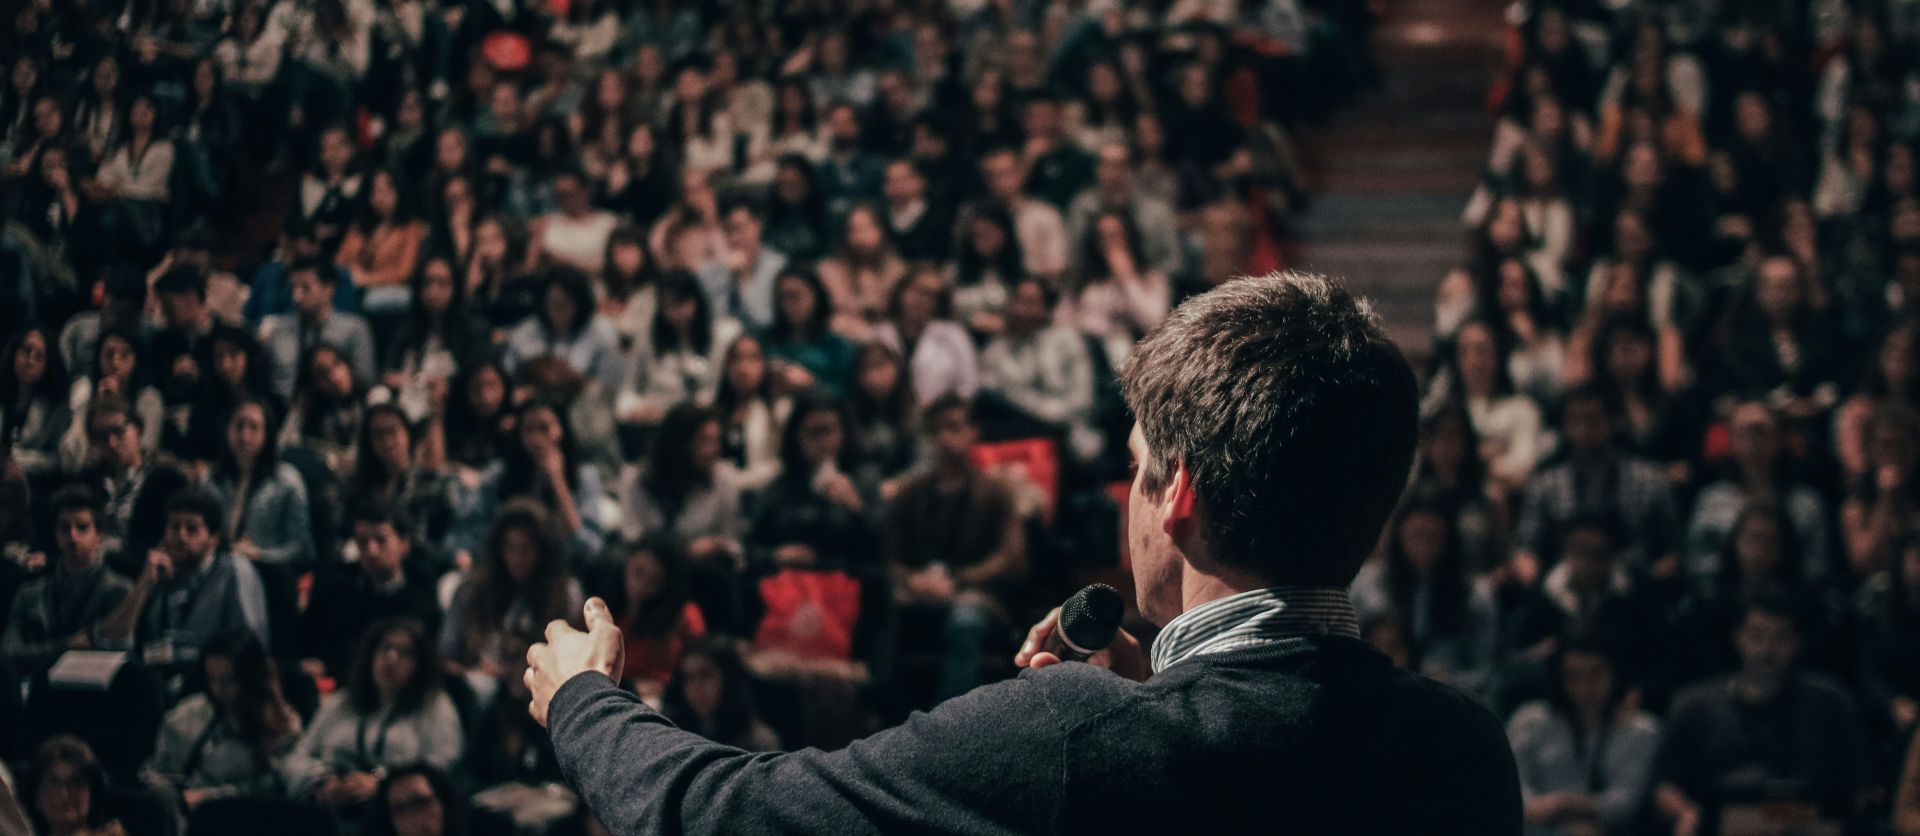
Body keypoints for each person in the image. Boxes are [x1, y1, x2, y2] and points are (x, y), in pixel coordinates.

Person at [526, 272, 1522, 833]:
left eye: (1135, 469)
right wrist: (1158, 697)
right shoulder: (1463, 750)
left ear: (1178, 494)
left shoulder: (1072, 735)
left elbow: (726, 815)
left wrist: (584, 699)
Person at [1650, 597, 1868, 836]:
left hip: (1807, 821)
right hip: (1723, 820)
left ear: (1797, 642)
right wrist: (1685, 812)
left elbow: (1855, 787)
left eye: (1780, 638)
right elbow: (1665, 784)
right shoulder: (1696, 705)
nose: (1767, 649)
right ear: (1738, 637)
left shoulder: (1828, 703)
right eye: (1757, 636)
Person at [885, 395, 1026, 702]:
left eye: (954, 427)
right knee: (884, 610)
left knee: (965, 621)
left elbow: (1010, 558)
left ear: (973, 431)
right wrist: (911, 580)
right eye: (935, 430)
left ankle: (951, 717)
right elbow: (890, 556)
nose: (944, 437)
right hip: (919, 589)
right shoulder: (911, 493)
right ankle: (884, 711)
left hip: (977, 593)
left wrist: (957, 580)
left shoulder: (995, 491)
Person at [283, 618, 464, 813]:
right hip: (329, 807)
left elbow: (442, 766)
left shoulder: (434, 706)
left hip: (397, 813)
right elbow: (298, 756)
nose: (391, 659)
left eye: (404, 653)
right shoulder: (342, 702)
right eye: (385, 648)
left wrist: (383, 784)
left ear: (421, 664)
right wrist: (319, 781)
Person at [97, 490, 271, 671]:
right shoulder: (157, 573)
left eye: (192, 529)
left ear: (213, 539)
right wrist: (144, 584)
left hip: (211, 679)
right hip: (158, 677)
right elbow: (110, 641)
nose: (181, 536)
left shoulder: (233, 570)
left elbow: (251, 648)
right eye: (174, 527)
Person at [1505, 640, 1661, 836]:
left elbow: (1626, 801)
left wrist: (1568, 805)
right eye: (1574, 676)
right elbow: (1512, 784)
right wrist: (1551, 810)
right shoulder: (1531, 720)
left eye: (1596, 674)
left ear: (1615, 673)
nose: (1585, 688)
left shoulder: (1640, 730)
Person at [140, 630, 301, 811]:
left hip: (240, 815)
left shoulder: (278, 723)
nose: (218, 689)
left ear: (250, 678)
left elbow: (276, 786)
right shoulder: (188, 712)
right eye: (212, 678)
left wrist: (209, 798)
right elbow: (158, 767)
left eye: (229, 680)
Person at [301, 504, 443, 683]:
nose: (371, 551)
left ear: (404, 544)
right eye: (362, 542)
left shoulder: (422, 593)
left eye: (381, 540)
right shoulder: (337, 586)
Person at [1, 488, 131, 675]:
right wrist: (66, 645)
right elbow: (9, 653)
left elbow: (118, 654)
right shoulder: (30, 594)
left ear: (99, 534)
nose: (72, 536)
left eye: (82, 527)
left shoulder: (118, 590)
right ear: (55, 533)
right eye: (64, 528)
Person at [203, 396, 314, 568]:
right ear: (227, 429)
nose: (245, 435)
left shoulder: (287, 481)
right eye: (239, 425)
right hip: (219, 568)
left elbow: (302, 550)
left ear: (267, 434)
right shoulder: (212, 480)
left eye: (254, 427)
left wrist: (260, 555)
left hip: (267, 571)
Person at [259, 259, 377, 402]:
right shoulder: (278, 331)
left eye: (305, 288)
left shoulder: (354, 329)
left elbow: (365, 382)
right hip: (281, 407)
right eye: (293, 288)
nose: (296, 297)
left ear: (328, 289)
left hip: (337, 407)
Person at [659, 637, 780, 752]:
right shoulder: (672, 730)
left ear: (729, 679)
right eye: (689, 677)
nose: (696, 686)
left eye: (706, 675)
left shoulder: (758, 741)